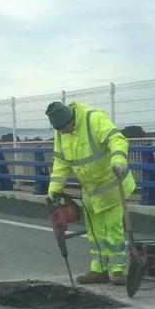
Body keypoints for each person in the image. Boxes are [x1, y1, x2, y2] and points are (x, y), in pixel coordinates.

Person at [45, 101, 135, 285]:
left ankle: (117, 271)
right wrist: (53, 190)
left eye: (67, 127)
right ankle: (98, 270)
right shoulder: (61, 133)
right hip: (90, 190)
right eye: (62, 129)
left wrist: (118, 160)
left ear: (72, 118)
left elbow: (117, 139)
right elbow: (61, 164)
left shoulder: (93, 119)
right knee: (95, 233)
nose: (66, 131)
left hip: (112, 184)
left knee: (113, 229)